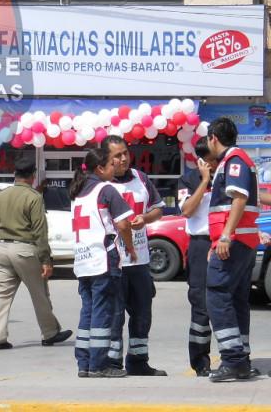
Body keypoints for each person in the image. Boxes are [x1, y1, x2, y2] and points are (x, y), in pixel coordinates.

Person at [0, 157, 72, 350]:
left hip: (3, 250)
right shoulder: (34, 197)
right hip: (25, 250)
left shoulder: (1, 195)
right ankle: (50, 333)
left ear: (14, 175)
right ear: (33, 176)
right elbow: (40, 232)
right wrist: (46, 259)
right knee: (39, 293)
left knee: (0, 295)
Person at [101, 135, 167, 376]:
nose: (123, 159)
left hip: (139, 260)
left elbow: (159, 208)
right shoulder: (101, 184)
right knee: (115, 315)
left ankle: (138, 362)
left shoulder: (141, 178)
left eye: (125, 153)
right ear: (106, 159)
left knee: (142, 314)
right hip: (113, 261)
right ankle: (112, 363)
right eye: (116, 155)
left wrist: (145, 219)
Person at [70, 148, 136, 378]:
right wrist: (130, 247)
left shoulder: (79, 192)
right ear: (100, 168)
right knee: (102, 312)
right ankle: (98, 365)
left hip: (83, 261)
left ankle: (84, 363)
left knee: (87, 311)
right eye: (111, 164)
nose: (116, 167)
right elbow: (124, 225)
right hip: (102, 260)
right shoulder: (105, 190)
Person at [205, 116, 261, 382]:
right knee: (237, 300)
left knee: (217, 294)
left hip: (235, 242)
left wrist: (225, 237)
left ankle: (234, 360)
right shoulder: (238, 160)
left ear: (213, 138)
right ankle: (242, 358)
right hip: (240, 242)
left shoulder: (234, 161)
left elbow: (238, 199)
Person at [178, 137, 217, 376]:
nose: (215, 165)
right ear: (202, 160)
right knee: (201, 305)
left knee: (228, 303)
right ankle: (200, 361)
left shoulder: (227, 176)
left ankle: (235, 357)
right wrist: (204, 181)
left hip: (226, 244)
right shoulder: (189, 179)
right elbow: (187, 210)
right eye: (211, 161)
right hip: (201, 245)